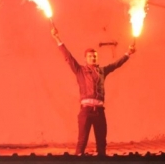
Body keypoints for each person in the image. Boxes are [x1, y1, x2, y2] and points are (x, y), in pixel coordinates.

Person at [50, 26, 135, 156]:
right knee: (82, 141)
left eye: (95, 56)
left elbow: (115, 65)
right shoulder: (80, 71)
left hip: (99, 112)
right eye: (90, 56)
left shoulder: (102, 71)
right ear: (85, 59)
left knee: (101, 142)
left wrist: (128, 53)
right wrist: (57, 38)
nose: (93, 58)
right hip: (86, 111)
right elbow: (68, 57)